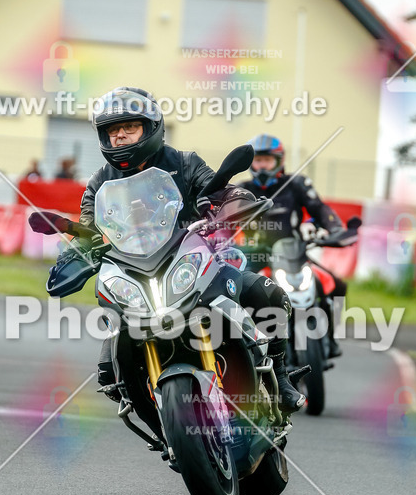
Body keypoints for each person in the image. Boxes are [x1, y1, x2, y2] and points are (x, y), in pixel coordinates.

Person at [48, 88, 305, 413]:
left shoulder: (183, 162)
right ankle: (153, 408)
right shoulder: (101, 181)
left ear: (151, 127)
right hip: (135, 271)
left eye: (130, 127)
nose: (121, 135)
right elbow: (88, 225)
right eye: (113, 130)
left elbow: (222, 190)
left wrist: (236, 203)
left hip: (193, 257)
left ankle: (280, 377)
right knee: (108, 370)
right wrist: (78, 249)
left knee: (267, 294)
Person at [238, 134, 347, 358]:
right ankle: (246, 349)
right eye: (257, 161)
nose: (262, 166)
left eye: (267, 160)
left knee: (337, 285)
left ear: (279, 161)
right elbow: (225, 221)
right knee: (237, 291)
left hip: (292, 254)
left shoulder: (296, 184)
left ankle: (331, 337)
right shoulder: (241, 190)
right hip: (255, 256)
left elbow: (320, 209)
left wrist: (334, 228)